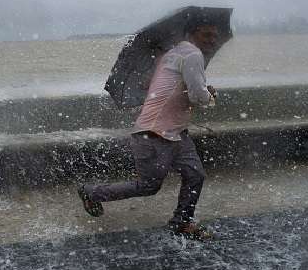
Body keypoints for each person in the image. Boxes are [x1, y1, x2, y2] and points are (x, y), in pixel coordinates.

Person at [78, 17, 219, 240]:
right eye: (207, 34)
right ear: (192, 34)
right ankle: (91, 192)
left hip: (174, 133)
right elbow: (197, 96)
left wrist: (197, 89)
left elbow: (151, 85)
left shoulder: (169, 56)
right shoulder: (192, 54)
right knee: (148, 186)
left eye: (215, 35)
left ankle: (182, 222)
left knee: (195, 175)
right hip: (155, 134)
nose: (213, 40)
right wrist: (209, 95)